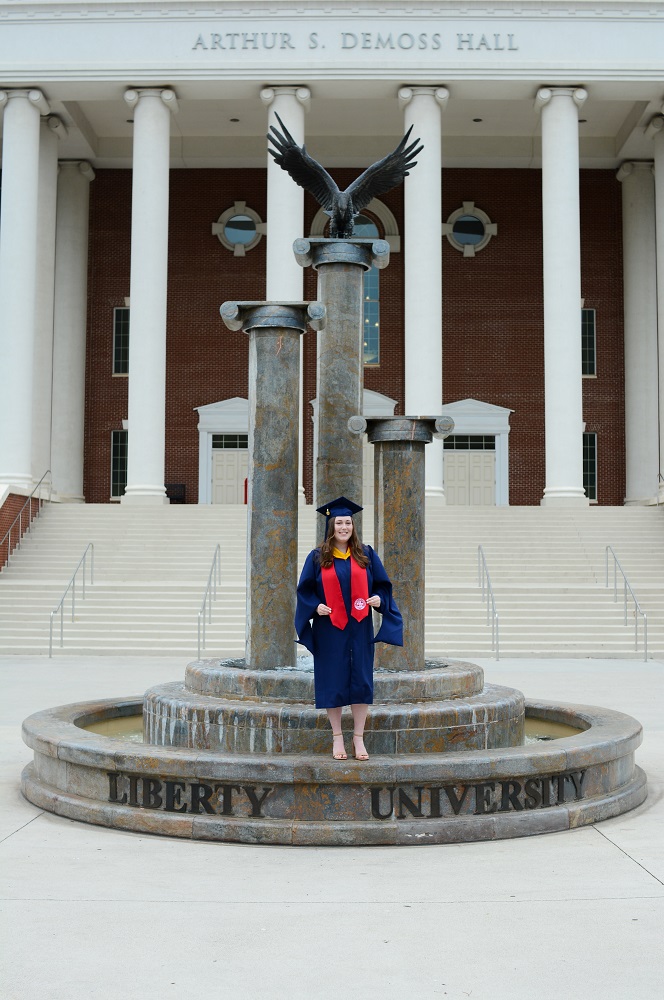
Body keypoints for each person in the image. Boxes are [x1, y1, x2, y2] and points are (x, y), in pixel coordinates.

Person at [295, 496, 403, 761]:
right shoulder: (318, 557)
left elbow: (382, 586)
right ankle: (337, 738)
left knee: (361, 680)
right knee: (332, 680)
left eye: (348, 522)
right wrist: (315, 606)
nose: (344, 527)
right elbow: (304, 591)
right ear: (331, 526)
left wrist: (379, 600)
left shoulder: (365, 554)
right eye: (339, 522)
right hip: (329, 627)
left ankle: (358, 738)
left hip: (359, 626)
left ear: (353, 526)